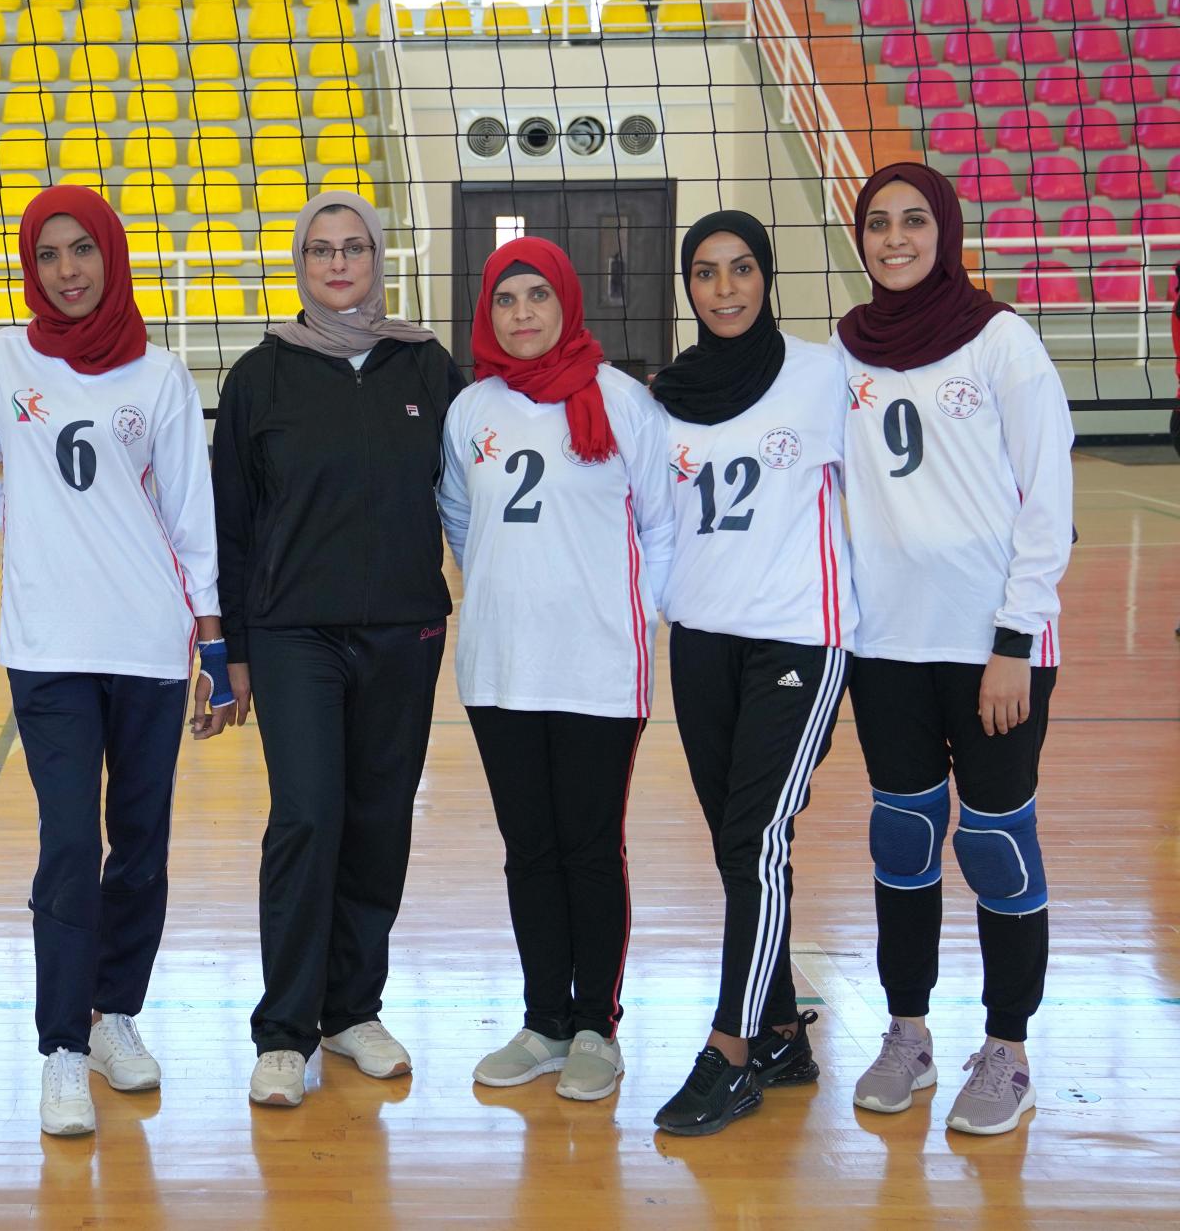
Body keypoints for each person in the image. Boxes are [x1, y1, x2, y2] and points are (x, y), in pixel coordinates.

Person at [0, 184, 230, 1137]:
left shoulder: (159, 373)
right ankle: (61, 1051)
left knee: (143, 842)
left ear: (111, 256)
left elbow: (191, 513)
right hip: (48, 648)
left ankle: (115, 1012)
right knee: (72, 843)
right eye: (49, 254)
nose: (68, 271)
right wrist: (37, 524)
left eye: (83, 251)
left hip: (148, 644)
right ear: (30, 265)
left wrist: (213, 638)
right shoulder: (0, 360)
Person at [832, 163, 1075, 1136]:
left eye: (911, 222)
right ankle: (906, 1033)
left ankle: (1006, 1048)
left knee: (993, 841)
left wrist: (1013, 639)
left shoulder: (1000, 342)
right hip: (885, 646)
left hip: (993, 649)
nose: (893, 238)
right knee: (902, 838)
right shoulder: (843, 353)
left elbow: (1046, 505)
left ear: (945, 231)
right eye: (877, 223)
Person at [212, 191, 463, 1109]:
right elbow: (230, 527)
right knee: (308, 816)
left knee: (379, 818)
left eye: (354, 246)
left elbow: (473, 487)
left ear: (379, 255)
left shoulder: (428, 367)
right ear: (300, 264)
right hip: (292, 635)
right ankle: (284, 1030)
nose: (338, 262)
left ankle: (353, 1008)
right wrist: (230, 651)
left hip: (405, 628)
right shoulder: (260, 378)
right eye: (320, 249)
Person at [439, 238, 673, 1103]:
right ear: (488, 313)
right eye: (507, 299)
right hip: (501, 667)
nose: (524, 313)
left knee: (587, 848)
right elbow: (461, 520)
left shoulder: (623, 402)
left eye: (538, 295)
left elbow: (663, 525)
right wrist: (514, 590)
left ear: (568, 301)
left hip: (597, 669)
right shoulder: (472, 410)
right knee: (527, 850)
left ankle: (596, 1028)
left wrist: (621, 616)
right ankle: (544, 1019)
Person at [646, 210, 854, 1136]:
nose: (724, 288)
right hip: (700, 639)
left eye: (740, 270)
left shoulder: (823, 374)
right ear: (686, 287)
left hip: (797, 640)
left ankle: (729, 1052)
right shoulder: (667, 394)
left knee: (757, 847)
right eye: (705, 273)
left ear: (768, 277)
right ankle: (781, 1033)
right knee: (738, 849)